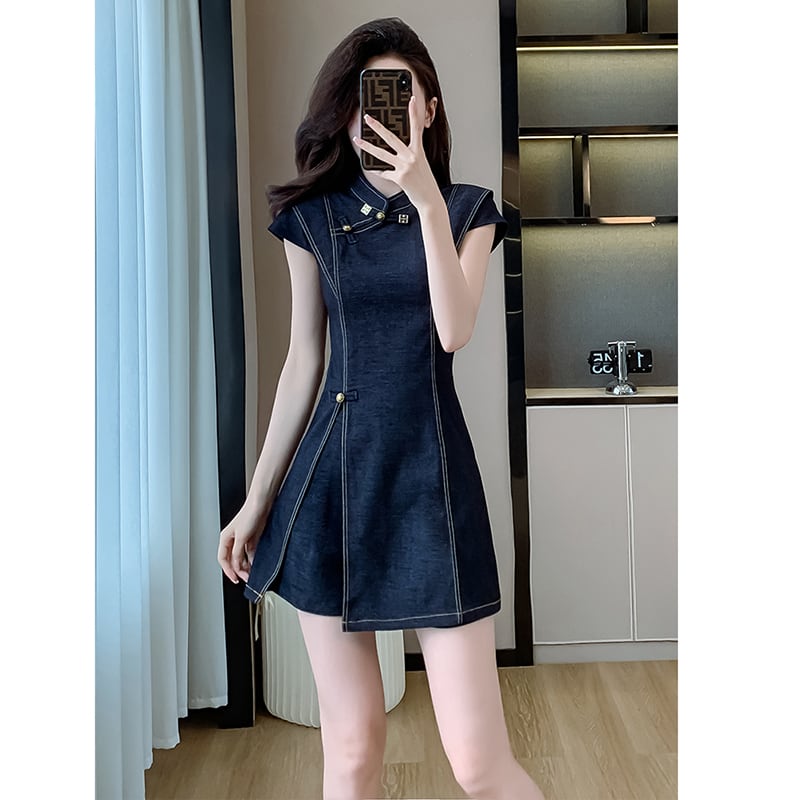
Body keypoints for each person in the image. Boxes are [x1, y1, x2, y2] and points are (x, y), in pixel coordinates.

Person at [218, 17, 547, 800]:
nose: (386, 115)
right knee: (353, 750)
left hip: (432, 489)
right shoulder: (313, 219)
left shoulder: (468, 211)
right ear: (346, 115)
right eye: (369, 101)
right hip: (331, 487)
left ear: (428, 109)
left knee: (479, 765)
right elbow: (304, 362)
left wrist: (427, 201)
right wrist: (257, 500)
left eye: (402, 96)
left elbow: (454, 329)